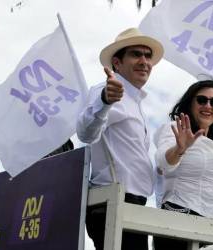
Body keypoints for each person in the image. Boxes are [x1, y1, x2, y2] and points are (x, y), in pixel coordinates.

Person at [77, 27, 164, 250]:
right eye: (136, 54)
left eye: (148, 56)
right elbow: (86, 133)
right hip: (112, 203)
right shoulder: (106, 90)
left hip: (130, 205)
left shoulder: (134, 101)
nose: (145, 61)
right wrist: (105, 100)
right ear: (117, 62)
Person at [153, 80, 213, 250]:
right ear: (190, 103)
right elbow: (163, 163)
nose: (208, 106)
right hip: (178, 223)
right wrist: (179, 149)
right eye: (202, 100)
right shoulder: (175, 128)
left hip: (211, 231)